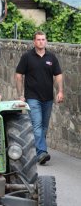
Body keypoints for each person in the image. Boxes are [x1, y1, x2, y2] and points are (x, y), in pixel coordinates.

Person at [15, 31, 64, 165]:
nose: (41, 42)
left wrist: (60, 91)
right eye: (38, 39)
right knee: (37, 124)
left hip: (48, 97)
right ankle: (42, 152)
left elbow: (58, 74)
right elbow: (19, 75)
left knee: (44, 126)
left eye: (43, 39)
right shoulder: (27, 57)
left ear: (46, 41)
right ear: (34, 42)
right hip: (32, 97)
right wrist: (20, 94)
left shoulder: (51, 57)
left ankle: (35, 148)